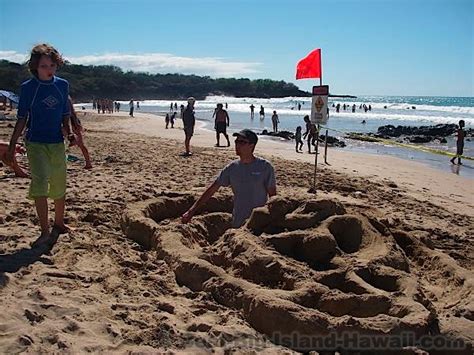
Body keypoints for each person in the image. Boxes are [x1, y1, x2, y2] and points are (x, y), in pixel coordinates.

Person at [5, 43, 74, 245]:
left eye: (52, 65)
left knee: (60, 182)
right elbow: (22, 118)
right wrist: (11, 146)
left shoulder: (62, 85)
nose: (48, 70)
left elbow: (64, 113)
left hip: (56, 142)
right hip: (35, 143)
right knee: (40, 184)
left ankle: (59, 223)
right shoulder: (29, 88)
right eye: (44, 66)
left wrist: (69, 132)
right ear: (35, 66)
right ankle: (44, 230)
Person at [182, 129, 276, 228]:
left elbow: (273, 197)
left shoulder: (265, 167)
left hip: (258, 223)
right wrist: (191, 211)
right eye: (236, 141)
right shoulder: (232, 168)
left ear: (251, 146)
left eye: (242, 142)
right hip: (238, 222)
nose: (237, 145)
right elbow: (212, 189)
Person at [69, 97, 92, 169]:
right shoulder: (64, 97)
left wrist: (76, 123)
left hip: (72, 120)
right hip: (70, 120)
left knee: (81, 144)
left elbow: (72, 112)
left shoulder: (66, 98)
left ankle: (88, 163)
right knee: (81, 144)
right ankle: (72, 140)